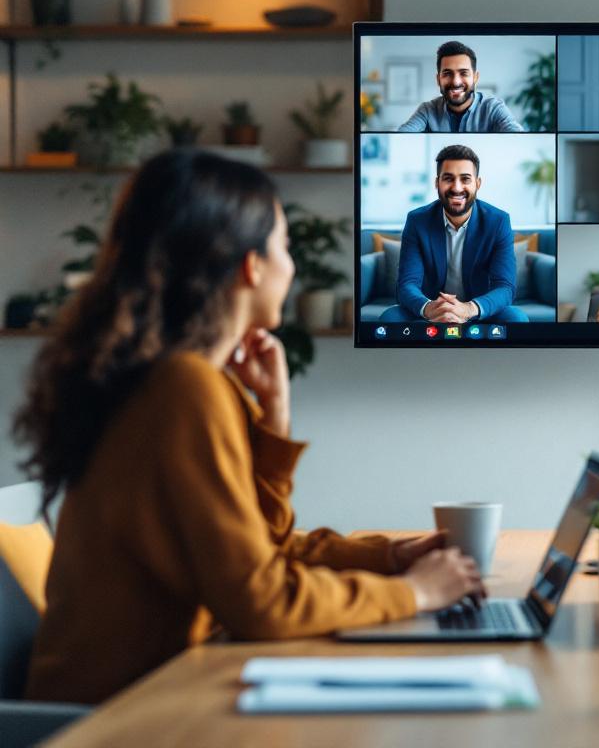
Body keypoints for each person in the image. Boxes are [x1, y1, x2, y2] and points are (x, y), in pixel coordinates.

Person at [12, 151, 486, 705]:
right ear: (250, 265)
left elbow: (257, 552)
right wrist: (412, 593)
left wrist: (386, 555)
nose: (292, 266)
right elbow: (262, 601)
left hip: (148, 699)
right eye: (284, 246)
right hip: (119, 721)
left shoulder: (172, 379)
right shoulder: (183, 389)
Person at [393, 144, 529, 324]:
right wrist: (429, 308)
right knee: (389, 318)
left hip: (479, 310)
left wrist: (469, 309)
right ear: (437, 183)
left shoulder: (498, 222)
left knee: (517, 319)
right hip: (433, 309)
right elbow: (407, 284)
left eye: (465, 179)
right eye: (448, 178)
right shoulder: (417, 221)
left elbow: (505, 287)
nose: (457, 188)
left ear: (477, 183)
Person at [397, 41, 524, 132]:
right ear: (438, 79)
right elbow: (401, 137)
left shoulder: (493, 108)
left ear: (475, 78)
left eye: (463, 73)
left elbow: (518, 137)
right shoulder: (427, 110)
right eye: (447, 74)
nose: (456, 82)